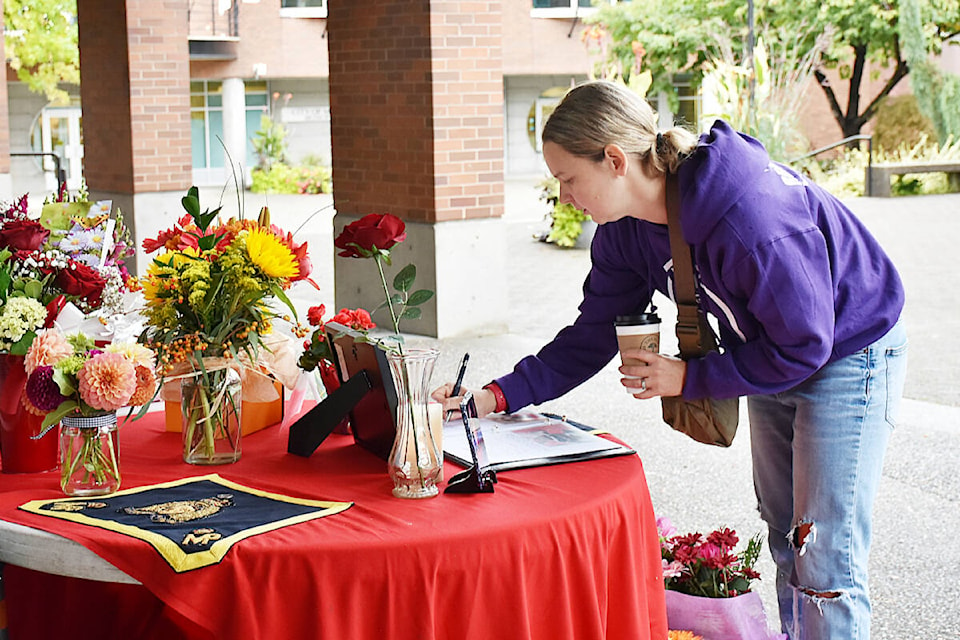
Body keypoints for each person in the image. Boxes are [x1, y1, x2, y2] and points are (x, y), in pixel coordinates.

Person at [433, 80, 906, 640]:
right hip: (775, 350)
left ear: (613, 161)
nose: (563, 197)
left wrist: (691, 376)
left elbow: (806, 344)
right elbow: (590, 335)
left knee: (823, 551)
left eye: (567, 179)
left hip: (849, 349)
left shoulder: (749, 217)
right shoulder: (623, 234)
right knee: (788, 535)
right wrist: (492, 397)